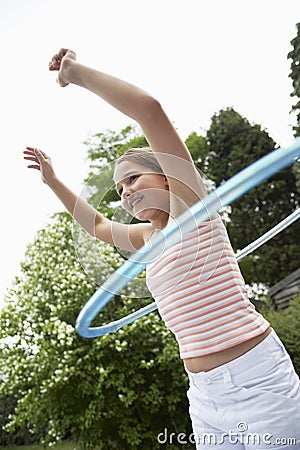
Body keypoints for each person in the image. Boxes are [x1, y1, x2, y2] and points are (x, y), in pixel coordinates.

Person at [24, 49, 300, 449]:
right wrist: (52, 180)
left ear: (167, 178)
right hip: (205, 395)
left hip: (256, 379)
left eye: (133, 178)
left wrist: (75, 73)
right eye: (119, 189)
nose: (125, 191)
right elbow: (98, 224)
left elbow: (149, 110)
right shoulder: (148, 239)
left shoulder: (194, 209)